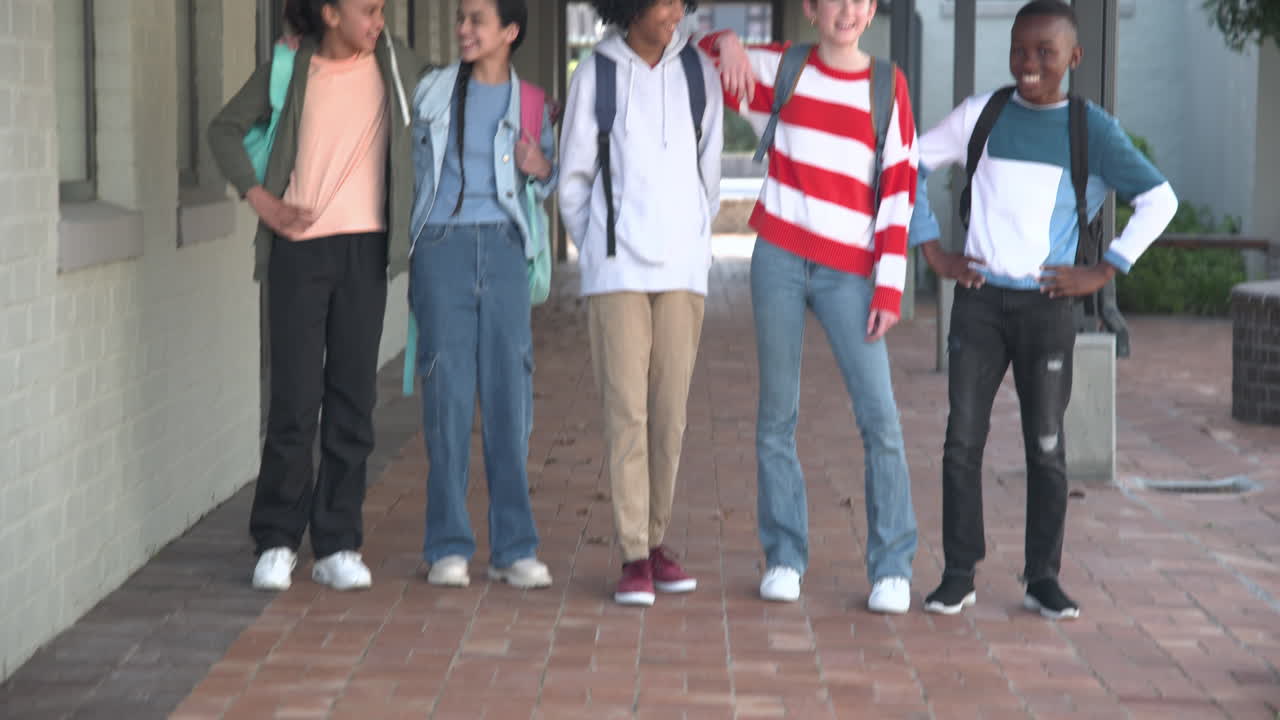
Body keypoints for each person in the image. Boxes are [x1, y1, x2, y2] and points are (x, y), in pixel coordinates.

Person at [909, 0, 1178, 620]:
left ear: (1074, 59)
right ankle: (958, 574)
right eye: (1019, 50)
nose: (1028, 64)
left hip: (1049, 308)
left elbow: (1159, 200)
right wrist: (933, 252)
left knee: (1046, 445)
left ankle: (1042, 579)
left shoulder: (1092, 130)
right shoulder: (982, 114)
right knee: (960, 443)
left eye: (1044, 53)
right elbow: (906, 163)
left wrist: (1105, 270)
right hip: (978, 304)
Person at [702, 0, 919, 614]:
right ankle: (785, 556)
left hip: (851, 273)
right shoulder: (786, 69)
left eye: (859, 0)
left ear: (872, 10)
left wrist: (888, 288)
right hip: (778, 258)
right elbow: (700, 55)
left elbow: (899, 188)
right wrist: (728, 42)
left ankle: (893, 566)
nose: (846, 10)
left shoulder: (887, 84)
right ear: (810, 8)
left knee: (880, 418)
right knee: (776, 414)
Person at [208, 0, 428, 591]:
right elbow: (225, 130)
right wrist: (263, 200)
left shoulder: (397, 65)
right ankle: (277, 539)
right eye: (369, 9)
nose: (379, 20)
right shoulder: (289, 69)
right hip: (298, 253)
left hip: (365, 251)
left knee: (353, 397)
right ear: (330, 13)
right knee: (295, 400)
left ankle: (337, 542)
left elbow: (450, 97)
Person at [558, 0, 724, 606]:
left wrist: (693, 242)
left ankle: (656, 541)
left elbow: (708, 178)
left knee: (669, 411)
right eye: (664, 2)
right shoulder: (594, 74)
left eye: (683, 2)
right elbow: (572, 180)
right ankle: (633, 553)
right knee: (626, 409)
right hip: (617, 271)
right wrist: (601, 245)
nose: (676, 11)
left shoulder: (697, 74)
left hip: (682, 271)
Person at [409, 0, 557, 590]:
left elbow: (546, 180)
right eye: (462, 18)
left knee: (508, 399)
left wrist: (539, 163)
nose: (464, 29)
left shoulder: (532, 103)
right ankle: (447, 545)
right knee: (445, 396)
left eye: (477, 20)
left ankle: (513, 547)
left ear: (510, 32)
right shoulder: (431, 92)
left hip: (503, 249)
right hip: (441, 247)